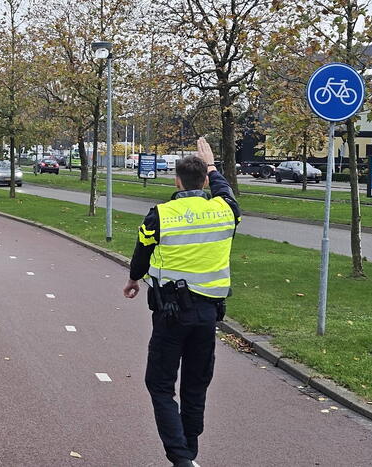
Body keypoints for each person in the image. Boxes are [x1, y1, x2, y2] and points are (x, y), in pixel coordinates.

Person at [123, 137, 241, 467]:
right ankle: (190, 451)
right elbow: (227, 195)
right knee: (195, 385)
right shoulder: (224, 212)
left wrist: (133, 280)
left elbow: (141, 255)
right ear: (204, 180)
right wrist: (214, 165)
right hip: (208, 316)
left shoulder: (160, 215)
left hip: (170, 314)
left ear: (176, 180)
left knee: (159, 385)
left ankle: (180, 458)